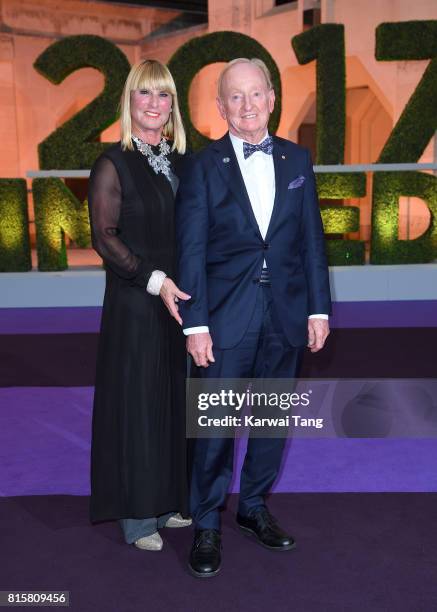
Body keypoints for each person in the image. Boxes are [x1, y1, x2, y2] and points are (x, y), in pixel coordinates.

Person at [176, 58, 331, 577]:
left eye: (255, 94)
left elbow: (311, 239)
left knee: (269, 420)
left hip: (286, 313)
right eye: (235, 97)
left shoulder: (297, 159)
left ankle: (254, 508)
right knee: (216, 425)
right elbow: (190, 250)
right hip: (224, 317)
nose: (247, 105)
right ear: (221, 107)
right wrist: (195, 323)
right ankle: (207, 524)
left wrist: (317, 307)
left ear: (272, 98)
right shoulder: (202, 165)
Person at [88, 59, 192, 552]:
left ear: (173, 105)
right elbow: (104, 238)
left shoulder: (180, 160)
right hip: (135, 301)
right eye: (145, 94)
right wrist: (153, 280)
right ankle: (135, 515)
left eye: (163, 95)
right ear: (130, 102)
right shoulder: (114, 163)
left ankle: (167, 499)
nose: (154, 104)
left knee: (171, 400)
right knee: (138, 405)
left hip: (178, 305)